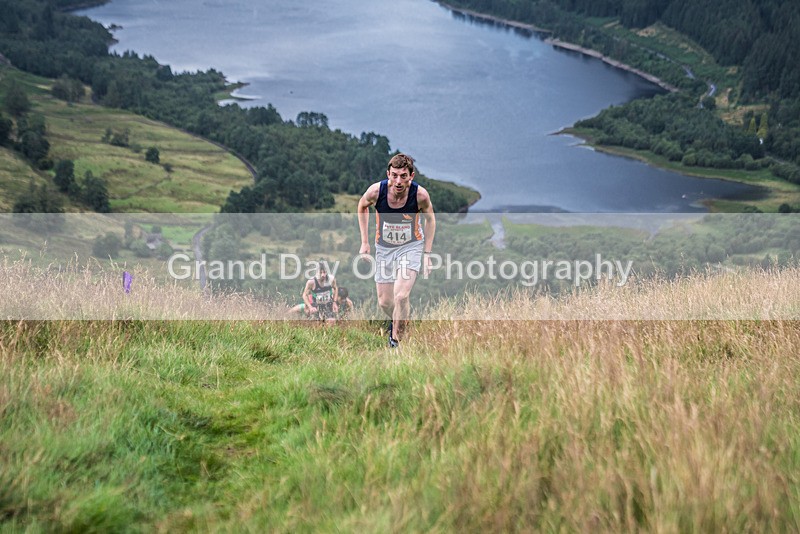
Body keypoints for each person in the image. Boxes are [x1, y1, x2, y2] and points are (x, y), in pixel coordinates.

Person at [357, 153, 435, 347]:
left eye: (403, 176)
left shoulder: (420, 195)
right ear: (388, 174)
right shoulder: (377, 191)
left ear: (411, 176)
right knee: (385, 302)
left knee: (401, 295)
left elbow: (431, 220)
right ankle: (403, 319)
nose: (398, 181)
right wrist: (364, 242)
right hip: (384, 248)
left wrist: (427, 254)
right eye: (394, 175)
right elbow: (362, 206)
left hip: (411, 246)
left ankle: (396, 341)